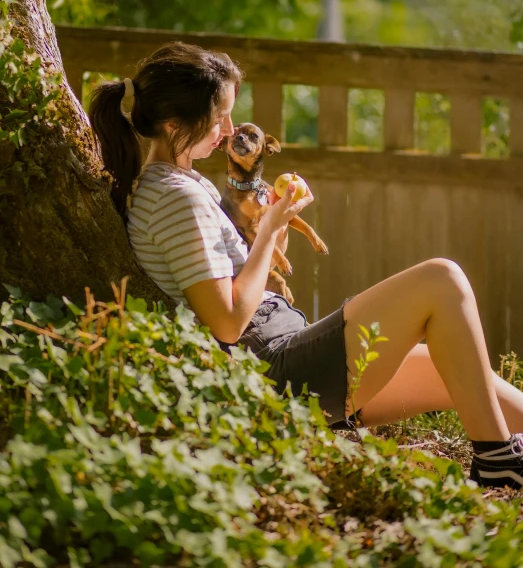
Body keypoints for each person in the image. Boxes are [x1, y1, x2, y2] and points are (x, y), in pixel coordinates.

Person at [89, 40, 523, 490]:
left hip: (286, 355)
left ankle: (504, 457)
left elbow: (243, 282)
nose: (230, 128)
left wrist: (274, 228)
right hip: (273, 376)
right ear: (175, 124)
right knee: (442, 279)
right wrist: (274, 222)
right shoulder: (173, 198)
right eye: (220, 119)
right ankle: (496, 463)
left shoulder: (178, 184)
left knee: (452, 365)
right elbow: (227, 321)